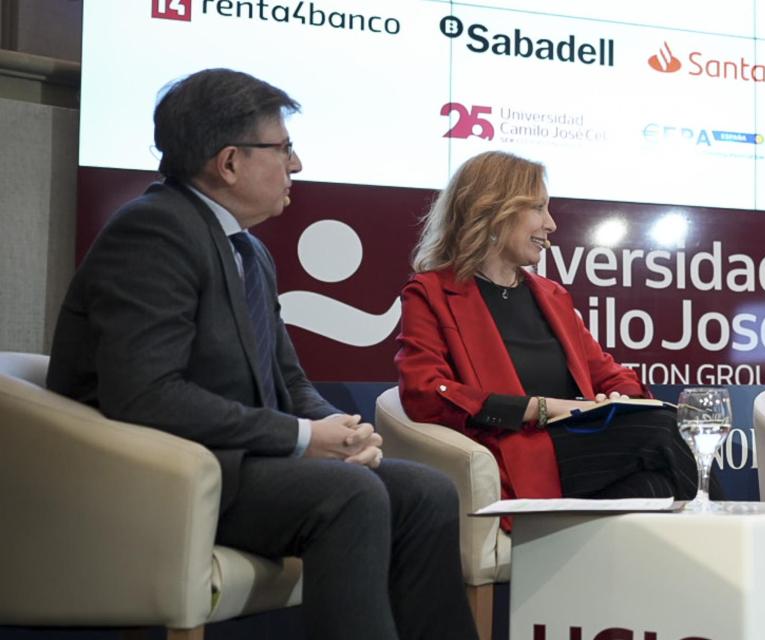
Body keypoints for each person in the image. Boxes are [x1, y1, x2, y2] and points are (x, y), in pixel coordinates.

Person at [45, 69, 475, 640]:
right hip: (165, 478)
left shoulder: (247, 250)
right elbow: (146, 395)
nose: (296, 164)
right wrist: (301, 438)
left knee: (427, 491)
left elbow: (288, 381)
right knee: (348, 495)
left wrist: (341, 433)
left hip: (237, 465)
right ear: (229, 163)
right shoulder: (152, 232)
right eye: (283, 148)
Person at [396, 151, 702, 517]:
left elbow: (608, 371)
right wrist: (544, 408)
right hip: (518, 455)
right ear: (494, 210)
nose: (551, 224)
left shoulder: (552, 296)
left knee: (658, 488)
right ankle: (738, 543)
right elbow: (424, 392)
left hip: (583, 449)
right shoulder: (430, 293)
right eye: (539, 208)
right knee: (667, 430)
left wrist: (621, 399)